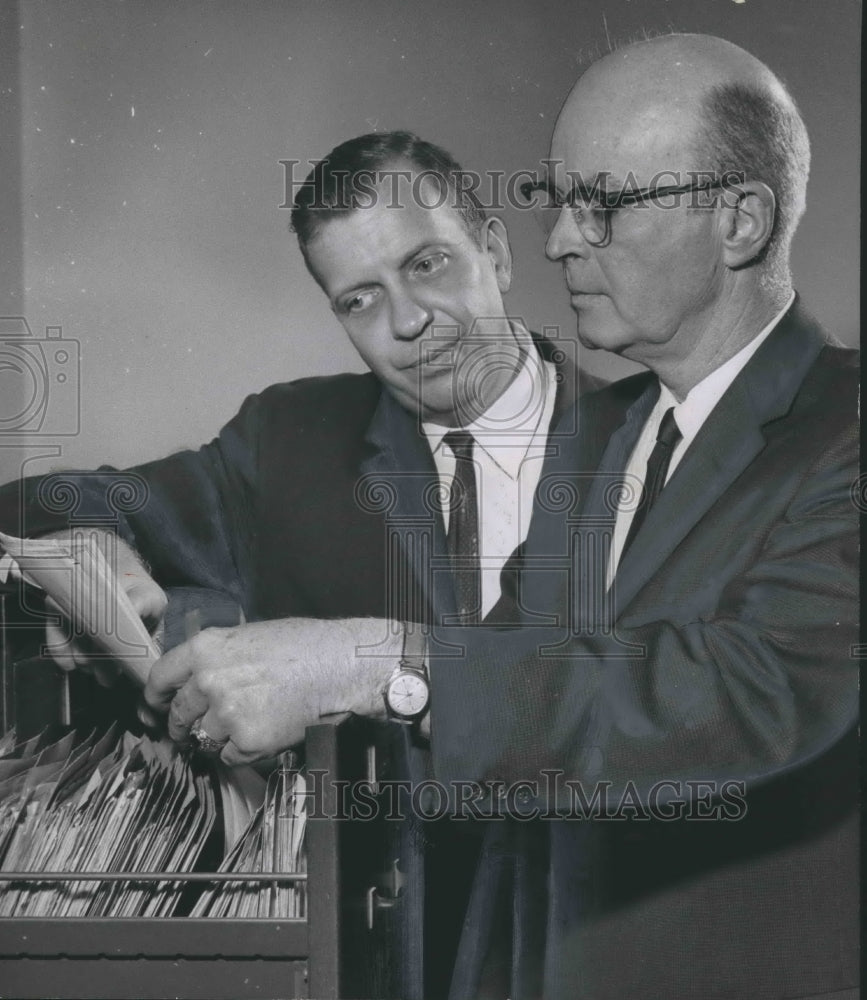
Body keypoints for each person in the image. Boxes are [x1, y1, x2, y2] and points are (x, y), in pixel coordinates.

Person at [1, 33, 859, 999]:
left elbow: (735, 690)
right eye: (361, 298)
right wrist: (111, 564)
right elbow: (521, 670)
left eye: (603, 207)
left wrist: (367, 660)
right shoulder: (626, 431)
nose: (561, 240)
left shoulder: (772, 425)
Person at [0, 130, 598, 998]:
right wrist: (97, 542)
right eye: (359, 299)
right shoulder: (289, 441)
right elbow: (43, 499)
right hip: (380, 964)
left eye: (427, 264)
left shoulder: (653, 441)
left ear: (497, 251)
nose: (405, 321)